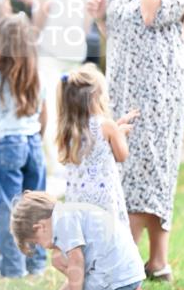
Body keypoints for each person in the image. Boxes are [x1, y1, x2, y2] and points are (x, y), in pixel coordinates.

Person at [88, 0, 184, 281]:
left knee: (156, 170)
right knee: (126, 169)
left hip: (161, 92)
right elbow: (116, 30)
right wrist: (100, 14)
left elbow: (151, 13)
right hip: (123, 87)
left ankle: (154, 260)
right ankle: (139, 259)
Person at [21, 0, 97, 179]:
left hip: (48, 44)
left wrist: (31, 35)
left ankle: (57, 174)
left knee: (50, 111)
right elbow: (91, 5)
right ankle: (78, 169)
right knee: (74, 108)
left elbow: (45, 4)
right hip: (75, 42)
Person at [10, 191, 169, 290]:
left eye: (37, 242)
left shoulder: (63, 222)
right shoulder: (67, 212)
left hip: (116, 279)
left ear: (40, 227)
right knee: (60, 266)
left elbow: (77, 263)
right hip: (125, 275)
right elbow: (80, 273)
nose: (42, 247)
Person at [0, 13, 47, 279]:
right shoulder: (37, 74)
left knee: (6, 206)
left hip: (7, 143)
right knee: (37, 205)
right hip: (33, 142)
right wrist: (39, 137)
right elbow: (45, 113)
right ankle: (37, 263)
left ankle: (11, 266)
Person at [56, 64, 139, 225]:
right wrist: (120, 133)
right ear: (95, 96)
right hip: (103, 199)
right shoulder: (107, 126)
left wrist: (116, 126)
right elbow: (122, 155)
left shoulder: (69, 129)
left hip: (77, 199)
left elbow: (94, 143)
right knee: (106, 240)